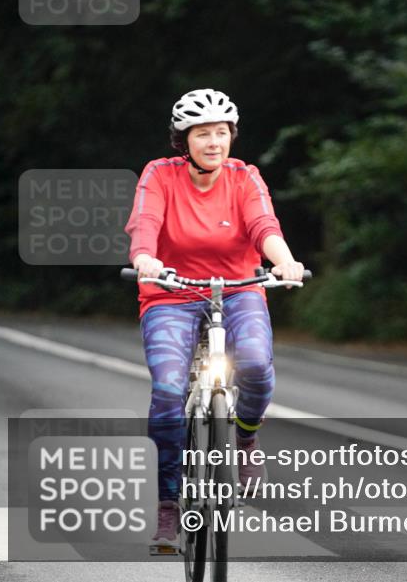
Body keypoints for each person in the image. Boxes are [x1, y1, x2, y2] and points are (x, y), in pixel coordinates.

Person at [124, 89, 304, 554]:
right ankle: (168, 507)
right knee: (167, 389)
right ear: (184, 140)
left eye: (221, 133)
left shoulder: (245, 177)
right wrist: (144, 257)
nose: (214, 142)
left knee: (257, 365)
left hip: (239, 289)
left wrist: (284, 262)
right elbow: (145, 222)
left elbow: (265, 226)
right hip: (170, 292)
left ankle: (244, 440)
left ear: (231, 137)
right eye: (203, 133)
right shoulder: (159, 175)